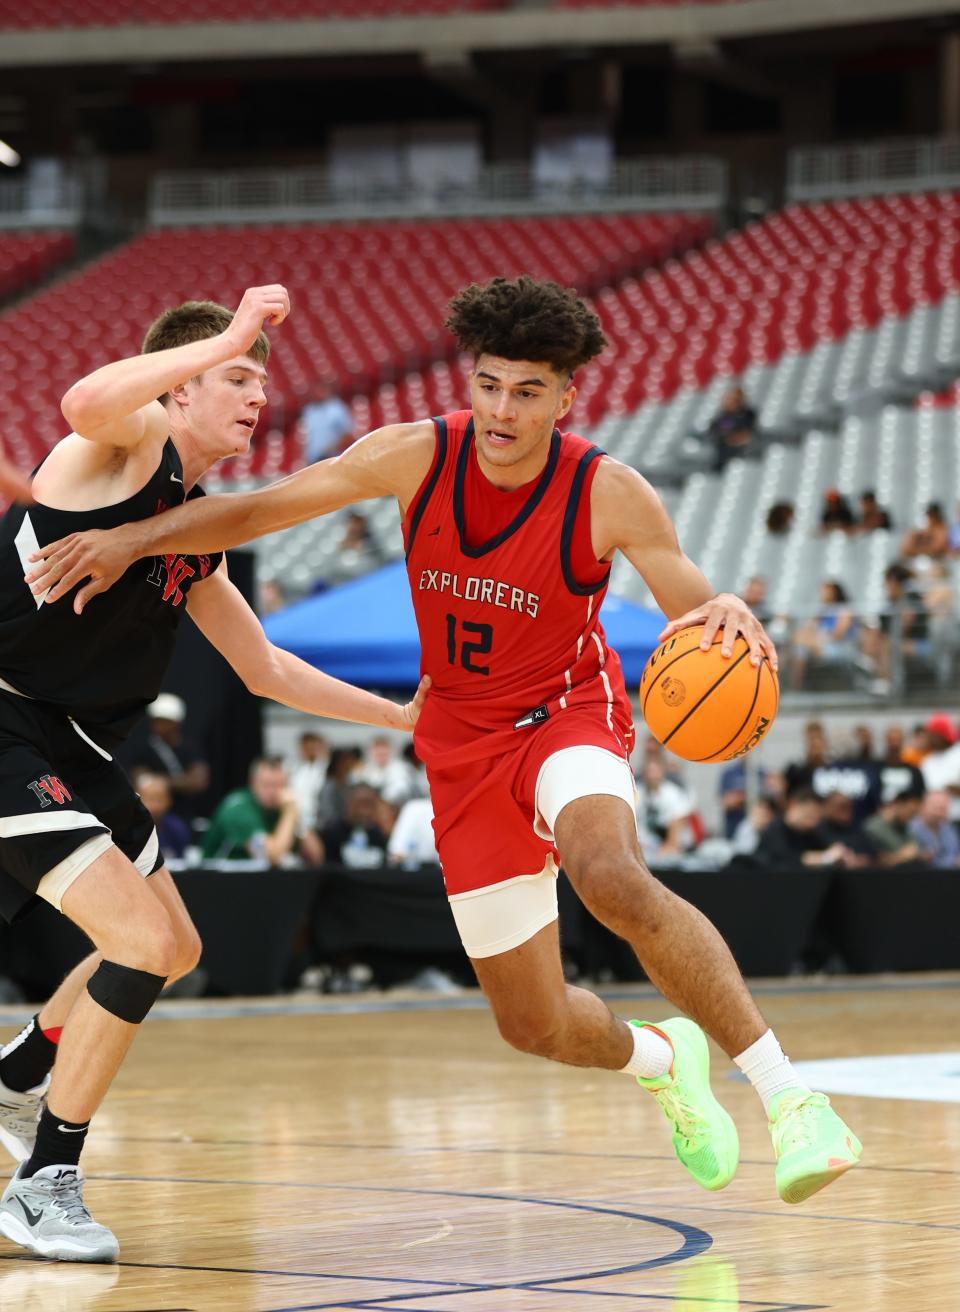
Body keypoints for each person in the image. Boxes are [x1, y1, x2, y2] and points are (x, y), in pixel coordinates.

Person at [28, 274, 860, 1206]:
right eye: (490, 383)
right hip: (462, 743)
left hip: (564, 713)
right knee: (534, 1024)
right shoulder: (415, 455)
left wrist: (727, 606)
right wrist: (134, 542)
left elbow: (691, 605)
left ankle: (793, 1099)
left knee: (611, 875)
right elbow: (260, 510)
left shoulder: (607, 493)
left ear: (567, 396)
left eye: (529, 391)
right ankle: (663, 1058)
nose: (504, 409)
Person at [0, 286, 428, 1263]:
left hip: (83, 745)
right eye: (236, 378)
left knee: (175, 945)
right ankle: (43, 1180)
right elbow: (79, 403)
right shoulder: (117, 451)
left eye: (257, 380)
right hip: (5, 720)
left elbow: (266, 668)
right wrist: (231, 331)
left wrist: (404, 715)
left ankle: (23, 1066)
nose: (254, 394)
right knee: (140, 940)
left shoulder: (194, 529)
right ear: (180, 392)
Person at [201, 757, 321, 865]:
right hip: (219, 881)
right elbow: (271, 856)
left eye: (281, 785)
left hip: (258, 882)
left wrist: (298, 818)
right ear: (253, 783)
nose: (274, 792)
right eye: (268, 785)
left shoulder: (283, 809)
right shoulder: (237, 809)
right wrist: (289, 814)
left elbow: (316, 857)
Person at [127, 692, 209, 820]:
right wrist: (181, 782)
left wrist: (162, 782)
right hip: (154, 816)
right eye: (156, 720)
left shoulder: (190, 748)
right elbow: (141, 781)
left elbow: (199, 782)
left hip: (185, 815)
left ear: (176, 722)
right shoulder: (144, 749)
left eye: (164, 721)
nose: (158, 726)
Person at [755, 790, 861, 870]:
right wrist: (826, 857)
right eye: (809, 815)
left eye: (817, 817)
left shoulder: (810, 833)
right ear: (793, 805)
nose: (813, 821)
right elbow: (788, 860)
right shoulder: (774, 831)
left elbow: (826, 849)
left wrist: (841, 855)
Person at [788, 580, 858, 690]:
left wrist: (819, 637)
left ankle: (794, 686)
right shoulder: (823, 610)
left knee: (800, 644)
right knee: (800, 647)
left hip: (838, 647)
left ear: (834, 592)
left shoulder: (843, 610)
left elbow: (839, 635)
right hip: (820, 645)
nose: (822, 593)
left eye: (826, 590)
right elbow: (809, 627)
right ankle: (796, 685)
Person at [635, 756, 695, 860]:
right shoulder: (637, 792)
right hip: (645, 846)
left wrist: (668, 848)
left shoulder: (673, 793)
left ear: (663, 772)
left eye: (655, 771)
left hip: (669, 846)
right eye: (649, 771)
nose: (652, 775)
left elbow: (678, 825)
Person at [317, 782, 390, 868]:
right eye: (361, 803)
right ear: (348, 803)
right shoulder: (331, 834)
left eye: (370, 805)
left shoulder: (378, 836)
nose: (365, 811)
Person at [131, 769, 191, 861]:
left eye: (159, 799)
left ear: (169, 800)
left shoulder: (178, 829)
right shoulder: (126, 831)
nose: (155, 806)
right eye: (149, 799)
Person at [864, 782, 927, 867]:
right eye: (911, 812)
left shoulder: (905, 827)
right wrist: (901, 856)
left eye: (915, 815)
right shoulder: (872, 829)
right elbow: (875, 863)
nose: (911, 818)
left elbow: (914, 848)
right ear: (898, 803)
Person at [301, 378, 354, 464]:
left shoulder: (337, 408)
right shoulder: (310, 410)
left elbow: (348, 435)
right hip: (312, 461)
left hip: (330, 460)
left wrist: (330, 449)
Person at [288, 729, 330, 834]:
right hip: (299, 824)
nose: (310, 751)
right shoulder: (295, 771)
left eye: (313, 747)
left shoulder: (326, 770)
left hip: (321, 824)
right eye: (306, 747)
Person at [707, 385, 758, 470]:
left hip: (740, 451)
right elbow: (714, 430)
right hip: (722, 451)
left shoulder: (748, 414)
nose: (726, 402)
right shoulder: (724, 416)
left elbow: (746, 435)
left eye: (730, 400)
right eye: (726, 400)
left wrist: (732, 437)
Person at [909, 790, 960, 869]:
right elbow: (924, 861)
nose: (939, 813)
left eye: (944, 809)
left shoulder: (948, 828)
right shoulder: (911, 829)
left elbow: (954, 851)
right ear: (923, 806)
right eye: (936, 808)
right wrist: (953, 862)